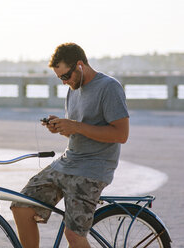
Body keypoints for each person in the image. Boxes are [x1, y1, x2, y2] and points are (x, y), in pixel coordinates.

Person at [11, 42, 129, 248]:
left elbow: (121, 134)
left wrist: (76, 126)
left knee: (73, 235)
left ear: (80, 65)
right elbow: (79, 131)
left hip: (93, 169)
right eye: (60, 78)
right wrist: (61, 127)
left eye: (66, 76)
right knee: (21, 207)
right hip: (67, 162)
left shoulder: (109, 87)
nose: (65, 82)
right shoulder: (73, 90)